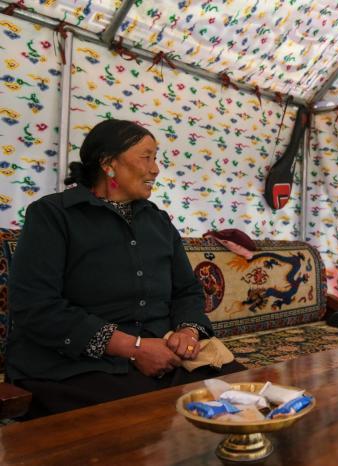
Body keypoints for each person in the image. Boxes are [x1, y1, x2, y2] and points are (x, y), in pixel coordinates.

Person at [7, 119, 246, 419]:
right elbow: (35, 306)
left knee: (245, 396)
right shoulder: (53, 215)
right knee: (145, 419)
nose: (155, 169)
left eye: (156, 158)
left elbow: (187, 290)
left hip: (162, 354)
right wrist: (133, 348)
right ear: (109, 164)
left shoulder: (158, 221)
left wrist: (187, 332)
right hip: (75, 365)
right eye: (146, 157)